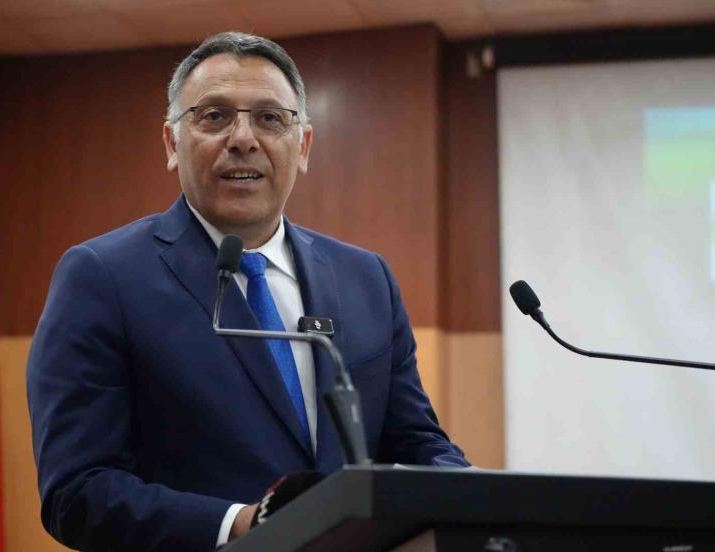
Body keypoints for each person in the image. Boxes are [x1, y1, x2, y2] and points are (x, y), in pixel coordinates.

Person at [26, 31, 469, 552]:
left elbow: (416, 441)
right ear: (172, 143)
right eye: (214, 116)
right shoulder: (102, 276)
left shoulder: (365, 278)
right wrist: (241, 524)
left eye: (269, 118)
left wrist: (473, 494)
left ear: (302, 146)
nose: (243, 138)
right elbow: (77, 491)